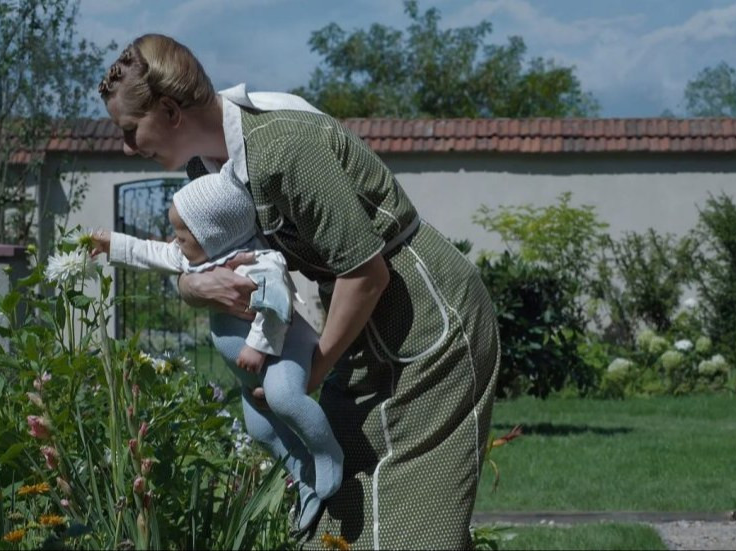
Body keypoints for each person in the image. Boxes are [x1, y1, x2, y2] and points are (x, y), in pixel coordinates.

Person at [97, 33, 500, 550]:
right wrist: (195, 287)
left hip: (426, 320)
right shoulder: (207, 170)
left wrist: (312, 372)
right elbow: (197, 265)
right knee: (338, 509)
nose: (128, 148)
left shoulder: (284, 148)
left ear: (171, 111)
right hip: (357, 326)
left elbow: (366, 274)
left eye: (131, 131)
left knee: (416, 526)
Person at [90, 162, 343, 531]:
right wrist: (112, 243)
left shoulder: (259, 262)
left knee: (286, 398)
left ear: (213, 234)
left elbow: (278, 306)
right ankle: (302, 474)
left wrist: (257, 346)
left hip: (282, 352)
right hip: (248, 373)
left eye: (182, 234)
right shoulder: (200, 257)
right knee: (261, 431)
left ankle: (327, 454)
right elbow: (152, 252)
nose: (175, 241)